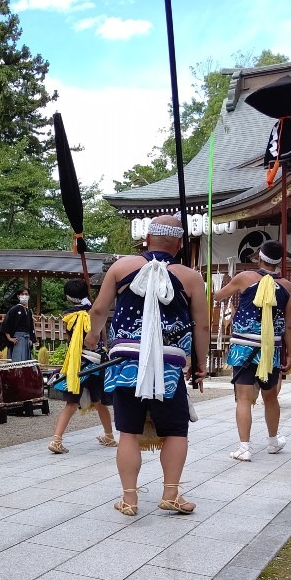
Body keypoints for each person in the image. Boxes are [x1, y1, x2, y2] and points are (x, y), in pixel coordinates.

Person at [84, 215, 208, 515]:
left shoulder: (121, 267)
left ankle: (129, 498)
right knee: (176, 431)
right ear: (179, 244)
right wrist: (200, 364)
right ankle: (171, 494)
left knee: (128, 431)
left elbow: (99, 309)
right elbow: (201, 327)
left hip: (126, 361)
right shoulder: (191, 277)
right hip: (168, 363)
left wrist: (91, 338)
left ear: (147, 240)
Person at [214, 239, 291, 461]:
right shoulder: (287, 286)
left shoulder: (245, 278)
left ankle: (245, 447)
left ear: (259, 257)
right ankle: (272, 441)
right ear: (279, 262)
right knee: (270, 397)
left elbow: (217, 296)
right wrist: (290, 353)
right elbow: (289, 324)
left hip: (243, 345)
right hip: (272, 348)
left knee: (243, 398)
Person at [48, 278, 118, 453]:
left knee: (71, 404)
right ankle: (109, 436)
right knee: (99, 402)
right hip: (96, 363)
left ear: (69, 297)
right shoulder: (94, 312)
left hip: (77, 363)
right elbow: (101, 336)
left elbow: (70, 340)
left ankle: (57, 440)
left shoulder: (68, 315)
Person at [0, 288, 36, 360]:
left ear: (29, 296)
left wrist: (31, 339)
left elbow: (31, 327)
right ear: (18, 296)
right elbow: (6, 323)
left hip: (27, 339)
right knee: (17, 361)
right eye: (22, 294)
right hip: (18, 338)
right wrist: (9, 338)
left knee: (27, 362)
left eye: (26, 294)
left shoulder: (29, 311)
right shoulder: (14, 309)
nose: (24, 296)